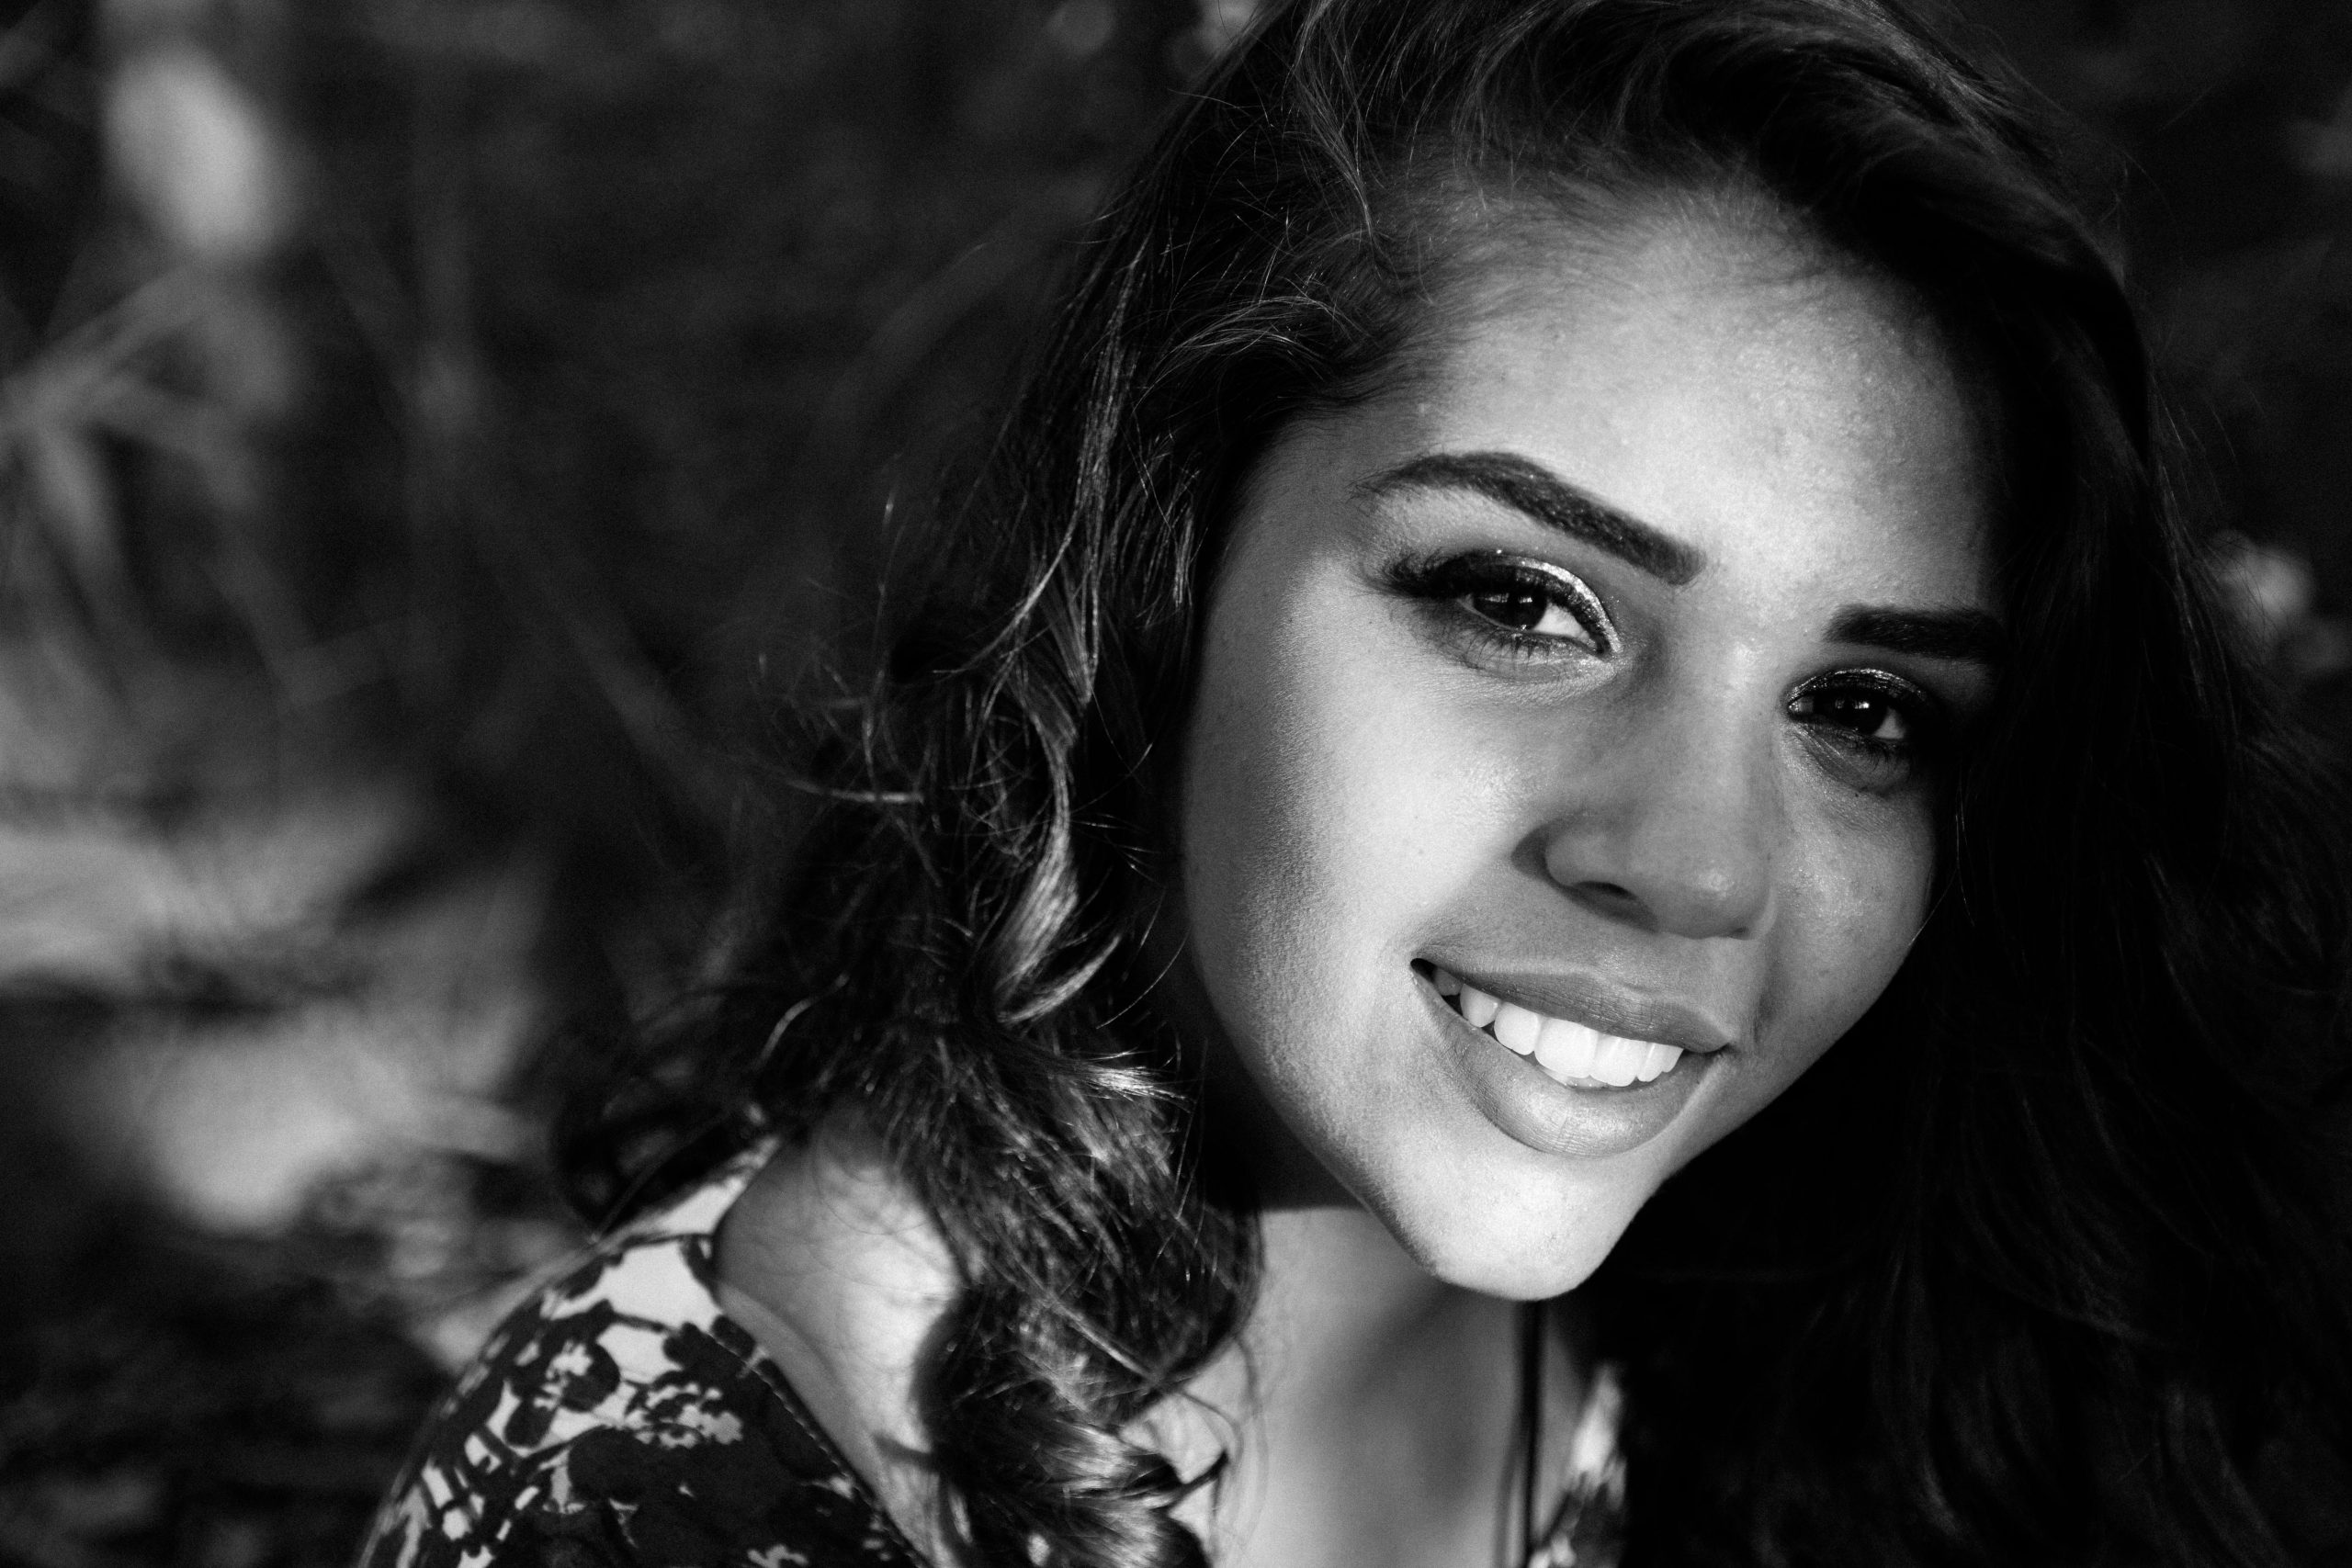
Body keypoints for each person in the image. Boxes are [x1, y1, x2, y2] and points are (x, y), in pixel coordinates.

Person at [358, 0, 2352, 1564]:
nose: (1696, 865)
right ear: (1167, 557)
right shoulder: (655, 1500)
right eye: (1522, 601)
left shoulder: (1826, 1323)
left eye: (1862, 708)